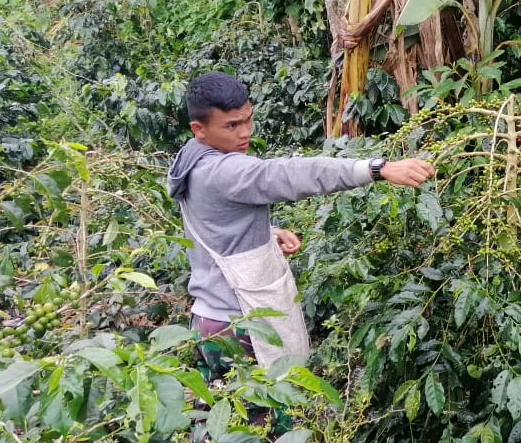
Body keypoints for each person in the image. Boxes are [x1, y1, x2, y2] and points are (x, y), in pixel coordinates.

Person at [167, 71, 434, 381]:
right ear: (199, 129)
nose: (245, 133)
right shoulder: (224, 170)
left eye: (247, 120)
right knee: (268, 421)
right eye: (232, 126)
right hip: (240, 324)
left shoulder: (191, 159)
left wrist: (265, 234)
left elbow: (214, 221)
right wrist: (376, 168)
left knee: (221, 419)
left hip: (207, 321)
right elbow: (289, 173)